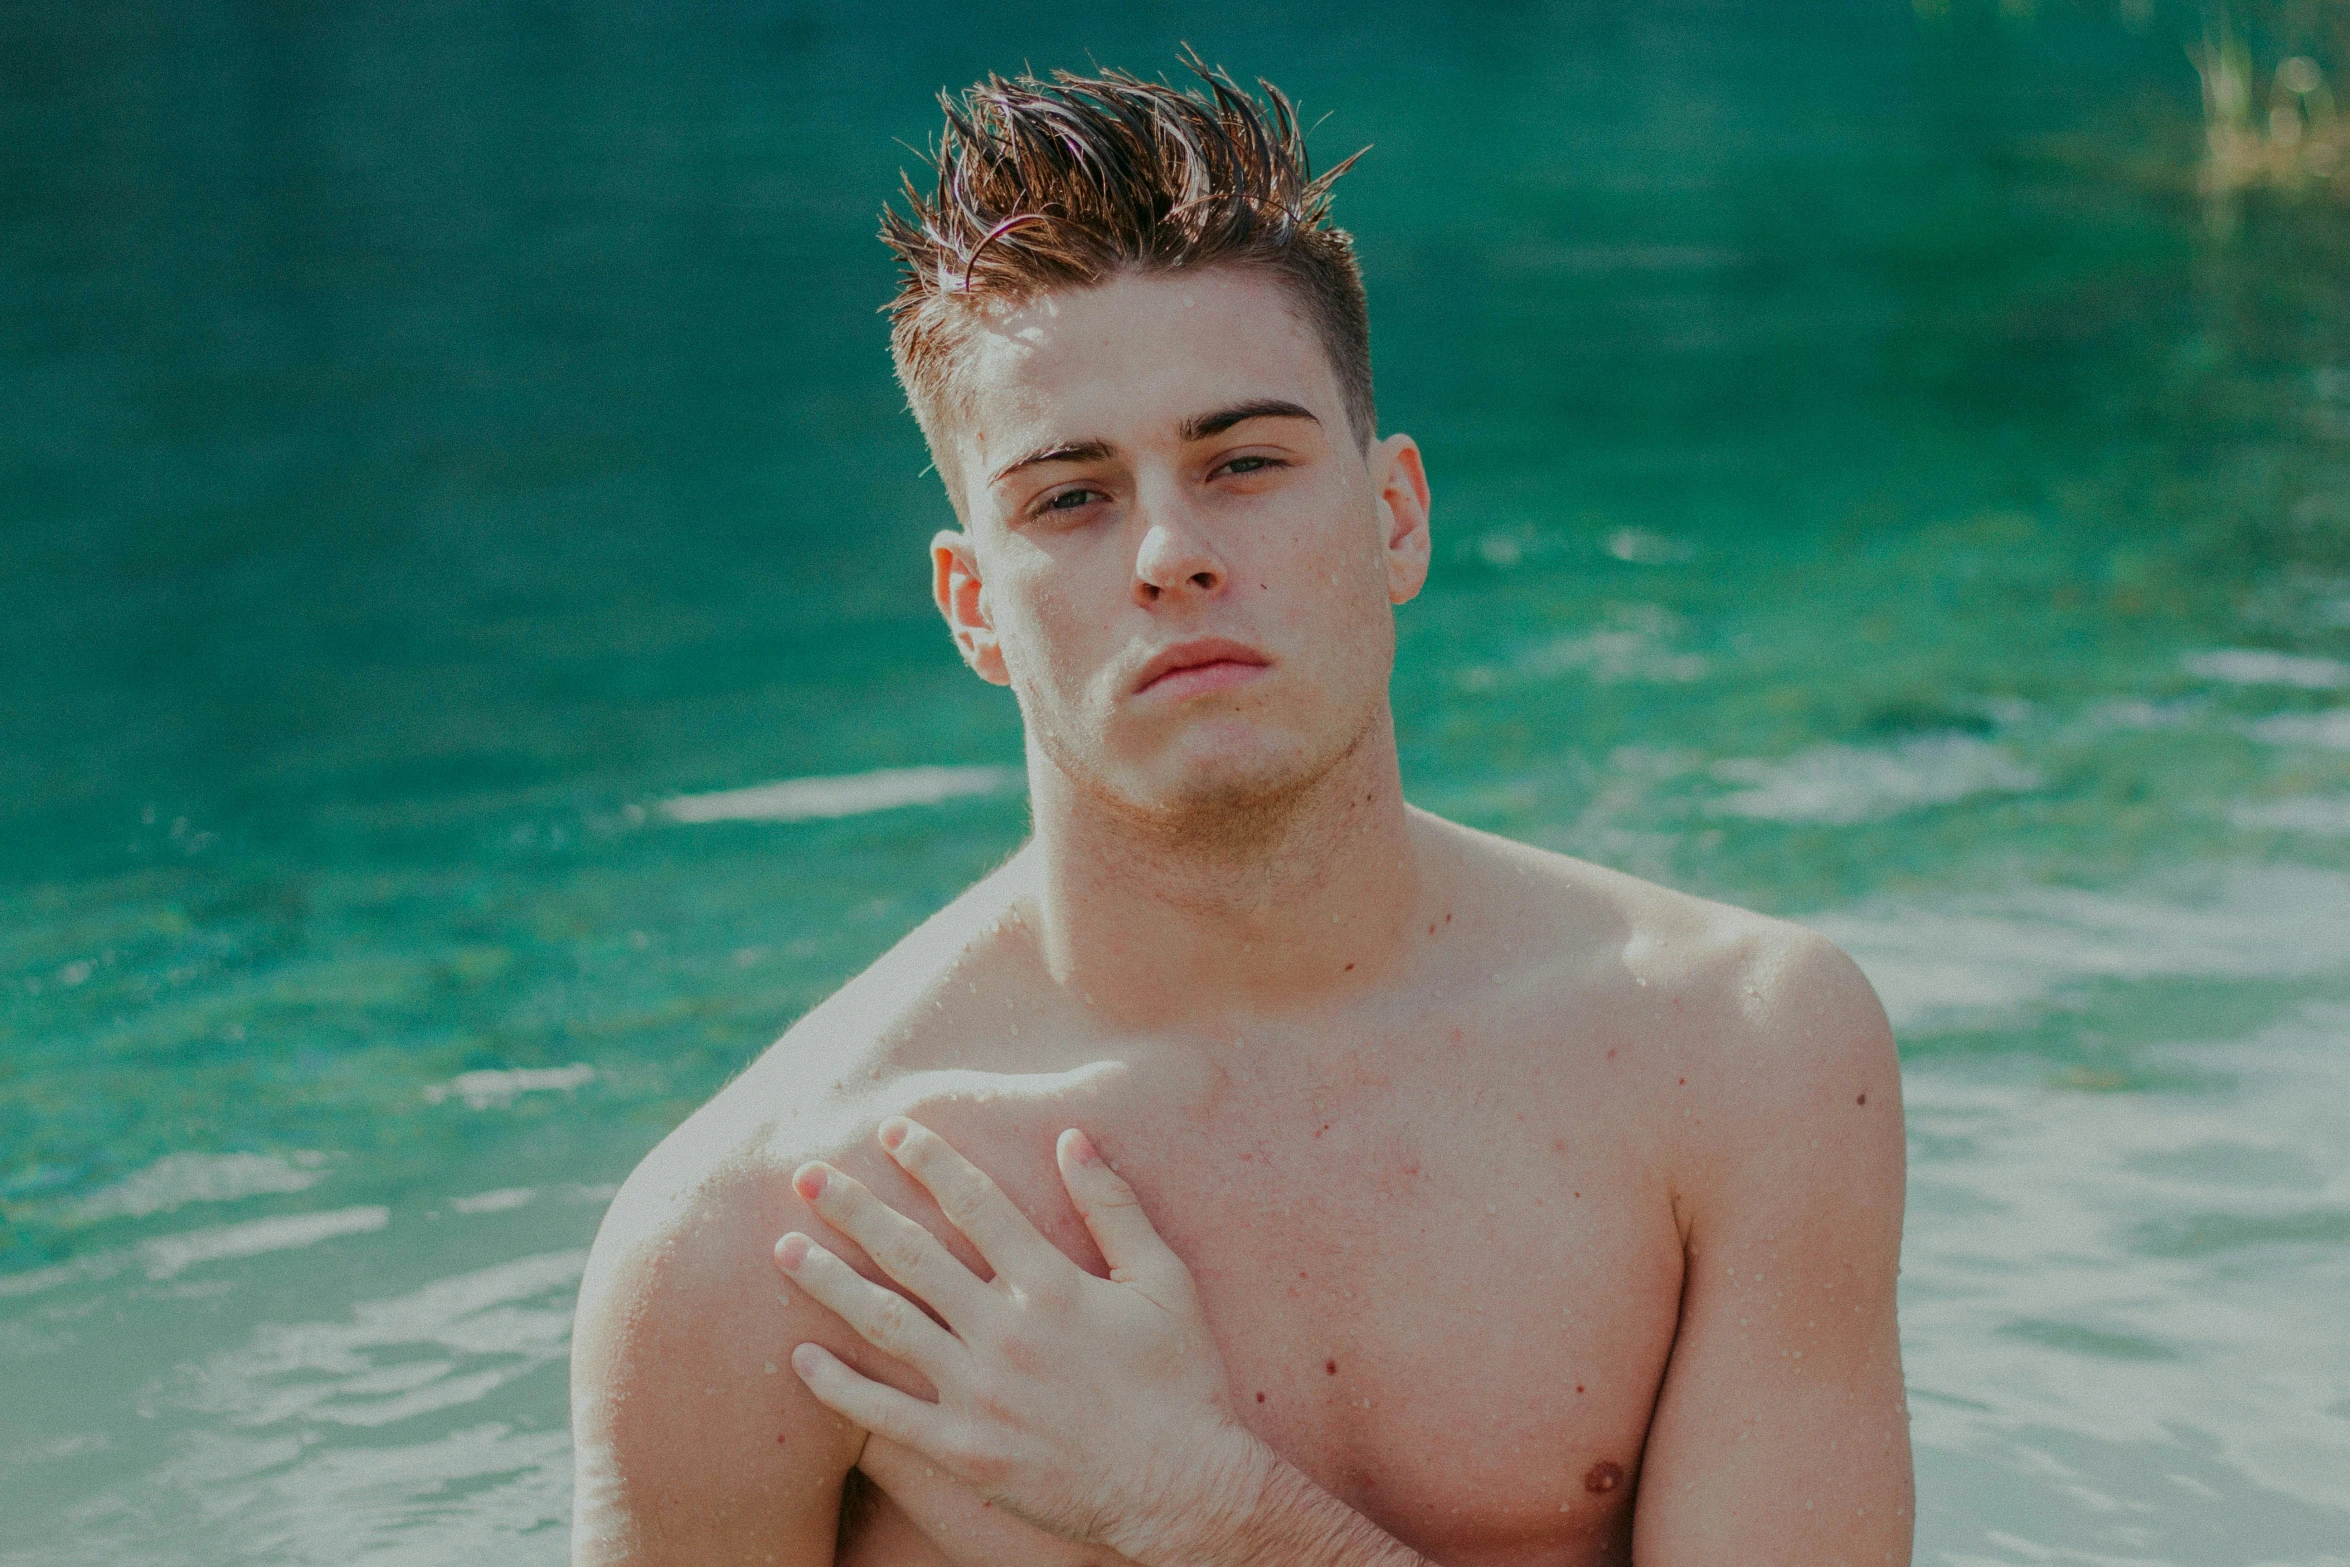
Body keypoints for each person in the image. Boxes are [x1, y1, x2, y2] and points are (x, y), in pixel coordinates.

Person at [569, 59, 1912, 1567]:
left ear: (1394, 512)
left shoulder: (1734, 1059)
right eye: (1069, 497)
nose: (1168, 550)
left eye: (1245, 462)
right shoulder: (770, 1250)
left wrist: (1194, 1508)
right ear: (972, 607)